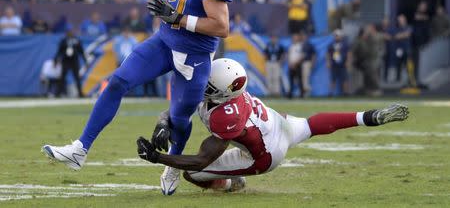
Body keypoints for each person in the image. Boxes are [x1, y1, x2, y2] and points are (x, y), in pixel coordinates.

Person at [42, 0, 232, 196]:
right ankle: (79, 149)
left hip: (194, 55)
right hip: (164, 41)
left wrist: (179, 18)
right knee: (118, 80)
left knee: (179, 118)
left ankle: (172, 164)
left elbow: (221, 26)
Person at [136, 58, 409, 192]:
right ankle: (368, 116)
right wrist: (164, 123)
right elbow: (180, 107)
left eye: (208, 83)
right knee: (312, 124)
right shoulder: (225, 91)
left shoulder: (223, 115)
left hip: (266, 153)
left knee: (193, 175)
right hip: (279, 122)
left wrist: (158, 157)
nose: (202, 84)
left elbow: (200, 160)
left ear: (220, 92)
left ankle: (234, 184)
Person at [54, 25, 87, 98]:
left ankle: (80, 93)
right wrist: (55, 60)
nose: (69, 32)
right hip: (66, 60)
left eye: (70, 31)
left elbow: (81, 51)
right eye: (68, 31)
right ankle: (58, 93)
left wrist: (85, 60)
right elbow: (59, 51)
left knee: (77, 77)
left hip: (74, 60)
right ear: (66, 32)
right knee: (62, 77)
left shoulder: (76, 40)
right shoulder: (64, 40)